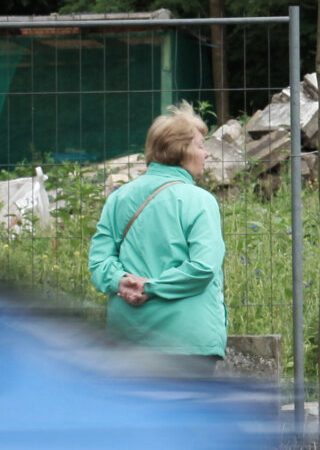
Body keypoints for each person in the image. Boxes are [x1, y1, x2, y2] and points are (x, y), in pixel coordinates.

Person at [87, 105, 228, 369]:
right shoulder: (199, 201)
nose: (206, 153)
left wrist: (121, 281)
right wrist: (150, 287)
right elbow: (203, 267)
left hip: (128, 342)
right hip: (188, 342)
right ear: (181, 150)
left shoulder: (118, 198)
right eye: (200, 146)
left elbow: (99, 264)